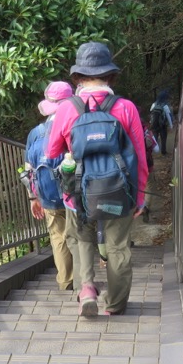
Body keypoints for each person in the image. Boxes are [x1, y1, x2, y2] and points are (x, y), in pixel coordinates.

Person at [46, 42, 148, 316]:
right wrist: (139, 196)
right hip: (120, 191)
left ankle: (87, 288)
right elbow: (139, 155)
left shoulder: (67, 109)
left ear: (78, 77)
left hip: (78, 192)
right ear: (110, 75)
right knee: (117, 246)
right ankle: (115, 304)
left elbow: (52, 151)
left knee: (82, 240)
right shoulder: (126, 107)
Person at [24, 81, 75, 290]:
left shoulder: (35, 133)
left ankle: (65, 281)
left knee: (58, 237)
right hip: (74, 194)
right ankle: (84, 282)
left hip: (47, 195)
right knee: (79, 235)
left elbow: (29, 168)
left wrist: (33, 197)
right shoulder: (74, 126)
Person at [141, 116, 160, 224]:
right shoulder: (147, 133)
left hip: (133, 167)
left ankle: (138, 207)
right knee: (149, 186)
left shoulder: (127, 130)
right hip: (148, 166)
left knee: (137, 187)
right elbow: (157, 149)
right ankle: (146, 206)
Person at [150, 89, 174, 155]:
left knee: (155, 138)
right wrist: (171, 126)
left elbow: (151, 113)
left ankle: (152, 152)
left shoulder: (154, 104)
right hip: (162, 125)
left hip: (154, 124)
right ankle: (163, 152)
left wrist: (151, 122)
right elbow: (168, 116)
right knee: (163, 138)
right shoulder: (165, 106)